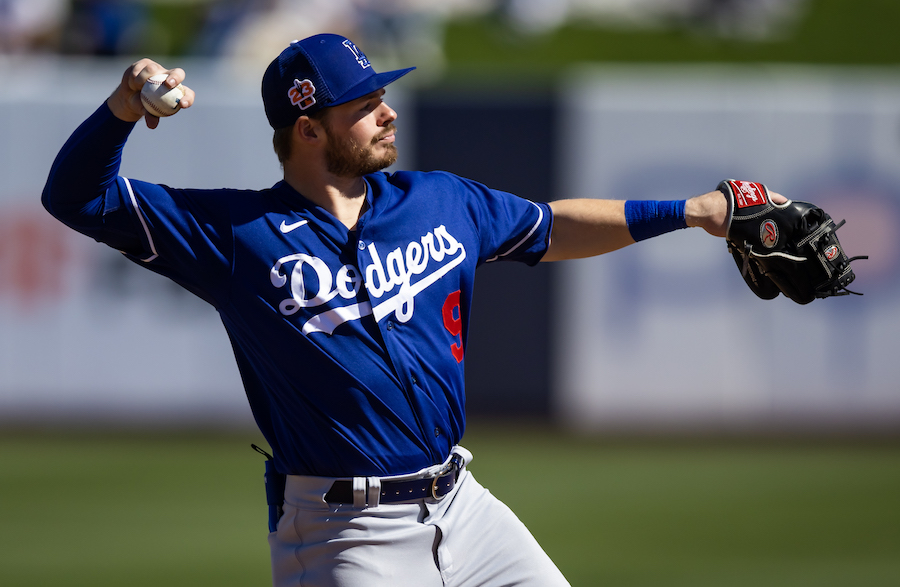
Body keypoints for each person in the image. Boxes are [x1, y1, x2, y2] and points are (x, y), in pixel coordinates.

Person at [42, 33, 777, 586]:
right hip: (341, 534)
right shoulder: (236, 236)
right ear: (309, 129)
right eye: (365, 107)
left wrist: (696, 211)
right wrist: (123, 105)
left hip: (465, 504)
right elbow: (76, 196)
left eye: (381, 96)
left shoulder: (439, 202)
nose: (387, 112)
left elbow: (553, 227)